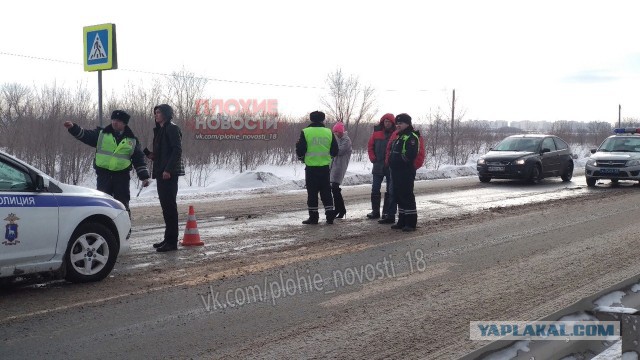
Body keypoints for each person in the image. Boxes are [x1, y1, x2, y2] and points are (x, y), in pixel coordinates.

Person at [63, 110, 150, 216]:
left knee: (122, 205)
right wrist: (73, 128)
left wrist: (144, 177)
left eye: (118, 121)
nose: (114, 122)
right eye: (113, 120)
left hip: (122, 177)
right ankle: (104, 229)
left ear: (124, 123)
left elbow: (138, 159)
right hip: (104, 175)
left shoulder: (132, 140)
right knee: (102, 204)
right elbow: (86, 135)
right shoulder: (102, 134)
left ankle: (125, 230)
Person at [146, 104, 185, 252]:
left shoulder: (172, 128)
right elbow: (162, 154)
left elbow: (177, 150)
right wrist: (149, 154)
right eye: (155, 113)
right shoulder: (161, 130)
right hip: (161, 172)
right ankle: (167, 239)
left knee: (170, 207)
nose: (156, 115)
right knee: (165, 208)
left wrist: (168, 169)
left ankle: (172, 242)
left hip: (168, 173)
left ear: (166, 114)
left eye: (158, 112)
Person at [295, 111, 338, 225]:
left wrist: (302, 158)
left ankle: (313, 218)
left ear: (311, 119)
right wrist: (328, 157)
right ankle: (329, 216)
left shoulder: (306, 132)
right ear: (323, 120)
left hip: (311, 168)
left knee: (312, 193)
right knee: (326, 192)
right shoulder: (328, 132)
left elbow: (300, 149)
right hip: (324, 167)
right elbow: (335, 150)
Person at [388, 113, 420, 232]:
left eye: (400, 123)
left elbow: (410, 155)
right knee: (399, 196)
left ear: (407, 124)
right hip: (397, 171)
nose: (398, 125)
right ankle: (402, 221)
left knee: (407, 196)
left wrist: (397, 161)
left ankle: (411, 223)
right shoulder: (399, 136)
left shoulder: (411, 137)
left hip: (405, 171)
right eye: (397, 123)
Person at [366, 113, 396, 219]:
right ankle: (375, 212)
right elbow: (370, 146)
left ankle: (386, 213)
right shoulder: (377, 133)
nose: (387, 123)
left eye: (389, 122)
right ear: (383, 122)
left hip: (390, 166)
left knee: (390, 190)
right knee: (375, 189)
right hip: (378, 165)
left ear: (392, 123)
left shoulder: (396, 134)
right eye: (385, 121)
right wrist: (372, 158)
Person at [329, 122, 352, 219]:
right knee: (334, 189)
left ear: (341, 131)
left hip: (340, 166)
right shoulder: (337, 139)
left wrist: (331, 149)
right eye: (335, 132)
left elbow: (339, 151)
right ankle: (340, 209)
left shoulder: (346, 140)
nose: (336, 134)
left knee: (335, 188)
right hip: (334, 166)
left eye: (337, 132)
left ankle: (340, 209)